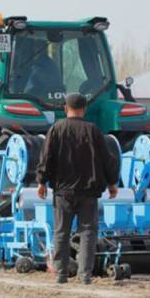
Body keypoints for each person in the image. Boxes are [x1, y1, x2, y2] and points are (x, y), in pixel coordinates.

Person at [35, 93, 119, 284]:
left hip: (63, 192)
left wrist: (41, 182)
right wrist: (112, 184)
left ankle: (61, 274)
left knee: (61, 232)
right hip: (88, 191)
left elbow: (46, 157)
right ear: (84, 109)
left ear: (65, 108)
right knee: (88, 233)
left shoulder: (57, 129)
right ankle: (85, 275)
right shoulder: (93, 130)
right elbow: (108, 159)